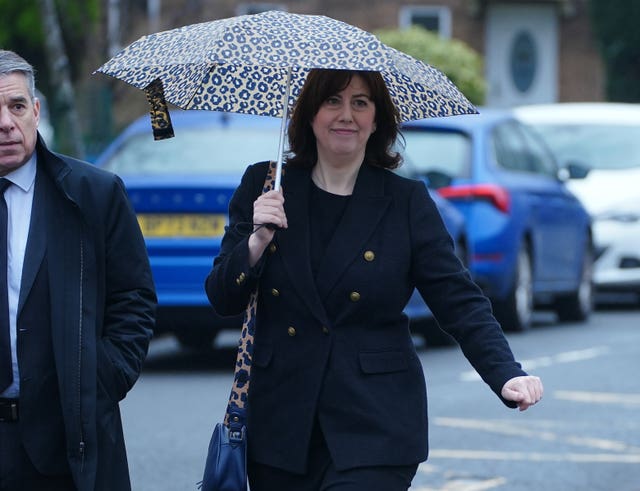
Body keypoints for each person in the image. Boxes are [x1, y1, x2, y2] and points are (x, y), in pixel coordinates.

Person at [205, 68, 543, 491]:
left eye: (360, 103)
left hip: (375, 424)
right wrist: (257, 240)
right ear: (308, 115)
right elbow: (221, 296)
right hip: (281, 423)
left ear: (377, 120)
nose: (346, 114)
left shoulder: (406, 202)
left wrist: (504, 371)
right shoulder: (265, 184)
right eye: (333, 101)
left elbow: (458, 299)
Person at [0, 50, 156, 490]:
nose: (5, 123)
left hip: (69, 436)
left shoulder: (93, 193)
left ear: (35, 111)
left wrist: (100, 379)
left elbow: (134, 297)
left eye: (15, 106)